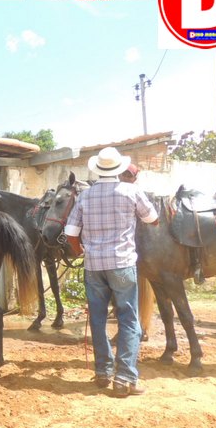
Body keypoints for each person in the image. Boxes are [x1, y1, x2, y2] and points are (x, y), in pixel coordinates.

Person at [64, 147, 159, 398]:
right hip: (122, 264)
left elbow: (71, 233)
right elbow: (153, 219)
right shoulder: (131, 191)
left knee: (98, 319)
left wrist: (81, 251)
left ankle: (103, 372)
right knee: (128, 319)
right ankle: (125, 377)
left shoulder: (85, 195)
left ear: (98, 169)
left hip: (94, 266)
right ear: (119, 169)